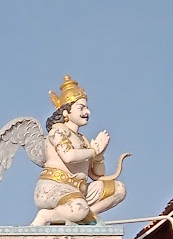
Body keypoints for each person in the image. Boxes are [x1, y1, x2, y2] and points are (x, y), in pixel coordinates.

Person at [32, 75, 126, 226]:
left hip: (79, 191)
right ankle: (47, 216)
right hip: (54, 187)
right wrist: (93, 151)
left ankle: (84, 217)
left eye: (87, 107)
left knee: (118, 189)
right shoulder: (58, 131)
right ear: (65, 112)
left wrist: (99, 156)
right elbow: (68, 156)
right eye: (81, 108)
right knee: (79, 208)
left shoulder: (82, 139)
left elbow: (97, 174)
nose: (87, 112)